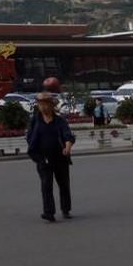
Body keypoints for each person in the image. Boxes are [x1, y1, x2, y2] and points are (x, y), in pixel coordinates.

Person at [26, 92, 76, 222]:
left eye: (46, 104)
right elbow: (30, 138)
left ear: (51, 105)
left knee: (64, 185)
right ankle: (49, 212)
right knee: (46, 185)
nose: (43, 107)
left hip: (60, 158)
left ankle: (65, 209)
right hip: (43, 158)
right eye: (40, 104)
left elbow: (68, 135)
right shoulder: (35, 121)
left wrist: (67, 147)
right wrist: (36, 154)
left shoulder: (59, 121)